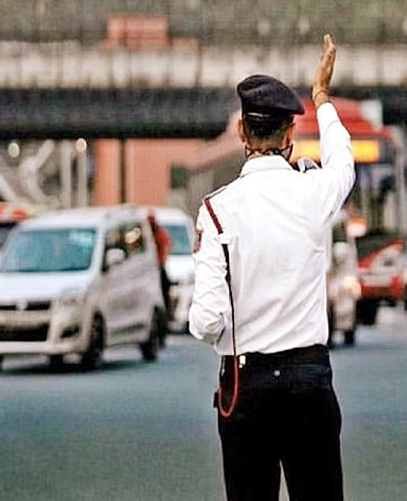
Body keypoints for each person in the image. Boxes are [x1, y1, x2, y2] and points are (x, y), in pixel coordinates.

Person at [189, 34, 354, 500]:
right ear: (289, 136)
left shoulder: (216, 210)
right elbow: (343, 163)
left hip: (247, 384)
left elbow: (205, 322)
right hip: (308, 378)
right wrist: (321, 97)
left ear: (241, 132)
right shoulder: (313, 192)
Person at [147, 210, 172, 344]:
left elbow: (165, 250)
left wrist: (159, 264)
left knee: (163, 299)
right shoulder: (148, 236)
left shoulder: (159, 234)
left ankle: (163, 327)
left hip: (158, 270)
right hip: (151, 270)